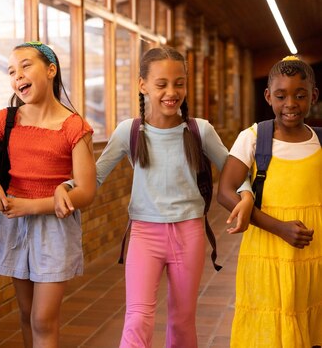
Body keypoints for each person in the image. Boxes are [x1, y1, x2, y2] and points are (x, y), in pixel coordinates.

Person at [55, 46, 252, 347]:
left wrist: (247, 195)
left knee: (182, 322)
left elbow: (234, 171)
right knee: (137, 319)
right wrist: (65, 187)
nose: (171, 92)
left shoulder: (201, 130)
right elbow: (93, 176)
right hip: (144, 235)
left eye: (179, 83)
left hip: (189, 234)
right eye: (161, 84)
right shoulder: (128, 132)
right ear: (143, 84)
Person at [0, 41, 97, 347]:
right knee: (25, 312)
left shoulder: (75, 127)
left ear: (50, 70)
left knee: (43, 319)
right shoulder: (6, 120)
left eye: (25, 66)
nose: (17, 75)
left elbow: (87, 191)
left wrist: (31, 207)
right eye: (11, 71)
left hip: (55, 228)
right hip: (14, 224)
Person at [217, 56, 321, 348]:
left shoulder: (320, 142)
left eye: (300, 96)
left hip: (313, 253)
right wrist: (279, 228)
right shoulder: (253, 139)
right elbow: (225, 192)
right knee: (270, 326)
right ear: (268, 97)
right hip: (267, 253)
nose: (291, 103)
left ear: (313, 96)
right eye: (281, 95)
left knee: (308, 324)